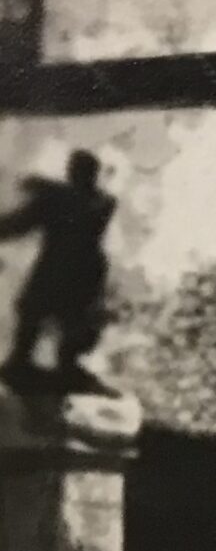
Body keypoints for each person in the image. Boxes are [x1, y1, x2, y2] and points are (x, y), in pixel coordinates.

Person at [0, 151, 114, 389]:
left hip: (60, 268)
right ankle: (50, 365)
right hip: (83, 271)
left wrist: (42, 187)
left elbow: (20, 223)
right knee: (53, 317)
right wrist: (44, 188)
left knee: (36, 312)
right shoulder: (98, 201)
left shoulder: (83, 201)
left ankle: (29, 364)